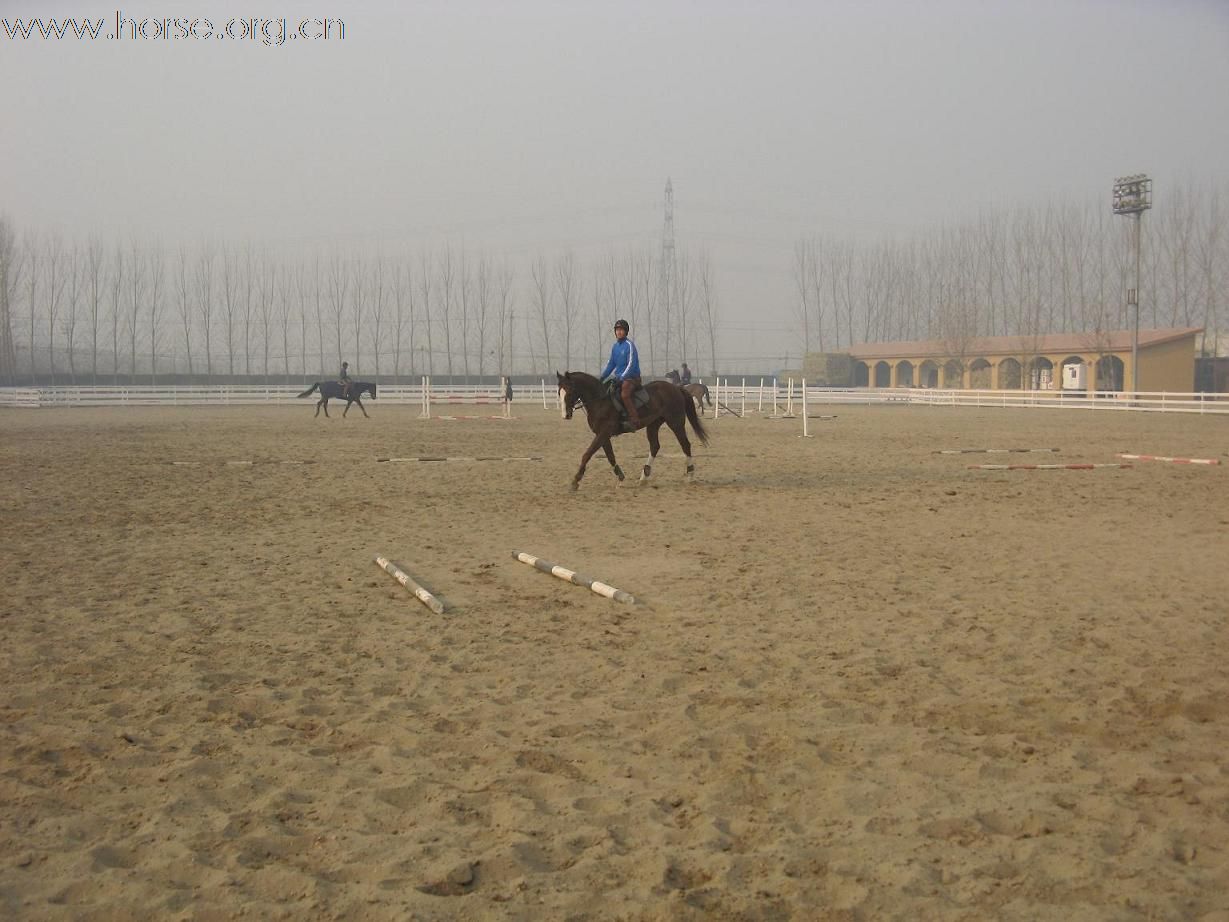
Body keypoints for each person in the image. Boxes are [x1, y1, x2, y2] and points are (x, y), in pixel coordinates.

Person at [598, 318, 642, 430]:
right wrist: (602, 377)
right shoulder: (615, 347)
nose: (619, 332)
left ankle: (634, 420)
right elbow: (610, 364)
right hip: (619, 378)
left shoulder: (629, 345)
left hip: (632, 378)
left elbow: (631, 365)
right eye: (617, 330)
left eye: (621, 330)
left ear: (626, 332)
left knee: (624, 394)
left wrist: (622, 377)